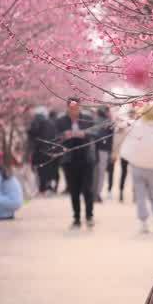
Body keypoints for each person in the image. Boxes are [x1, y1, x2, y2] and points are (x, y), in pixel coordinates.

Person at [118, 102, 153, 234]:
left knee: (141, 195)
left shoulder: (135, 126)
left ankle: (144, 223)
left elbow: (123, 125)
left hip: (137, 165)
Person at [55, 97, 97, 229]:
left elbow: (96, 132)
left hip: (86, 158)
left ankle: (89, 216)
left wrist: (84, 134)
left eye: (77, 108)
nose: (74, 111)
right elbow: (55, 137)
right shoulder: (61, 121)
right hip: (69, 159)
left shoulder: (87, 118)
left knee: (88, 189)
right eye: (72, 108)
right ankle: (77, 218)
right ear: (67, 108)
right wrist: (64, 135)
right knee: (74, 190)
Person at [26, 107, 59, 193]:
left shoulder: (34, 123)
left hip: (38, 150)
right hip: (49, 150)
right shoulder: (50, 123)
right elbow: (55, 136)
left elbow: (30, 133)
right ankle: (48, 186)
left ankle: (41, 188)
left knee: (39, 169)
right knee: (48, 168)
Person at [0, 152, 24, 220]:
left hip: (12, 201)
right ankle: (5, 215)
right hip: (14, 200)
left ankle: (3, 215)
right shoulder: (0, 170)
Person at [94, 105, 115, 201]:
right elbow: (111, 139)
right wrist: (110, 152)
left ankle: (93, 192)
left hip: (93, 149)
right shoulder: (109, 123)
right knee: (101, 172)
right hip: (104, 150)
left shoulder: (93, 120)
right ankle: (97, 193)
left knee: (94, 172)